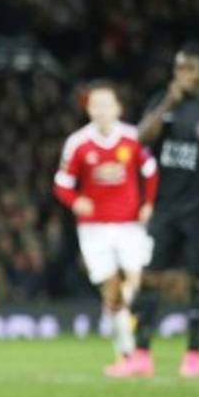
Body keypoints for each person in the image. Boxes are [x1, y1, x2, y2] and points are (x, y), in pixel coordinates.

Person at [123, 44, 199, 378]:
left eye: (189, 67)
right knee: (149, 278)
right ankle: (142, 352)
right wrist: (168, 104)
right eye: (178, 68)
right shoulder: (165, 101)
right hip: (164, 209)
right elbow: (141, 139)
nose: (182, 74)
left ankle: (193, 354)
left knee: (198, 281)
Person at [53, 81, 158, 376]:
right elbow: (62, 183)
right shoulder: (78, 143)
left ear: (118, 109)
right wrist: (75, 202)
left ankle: (120, 318)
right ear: (88, 110)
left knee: (136, 281)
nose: (101, 110)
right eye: (95, 105)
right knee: (111, 292)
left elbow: (150, 171)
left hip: (129, 225)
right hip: (94, 229)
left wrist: (148, 203)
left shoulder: (133, 138)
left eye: (107, 105)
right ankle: (126, 356)